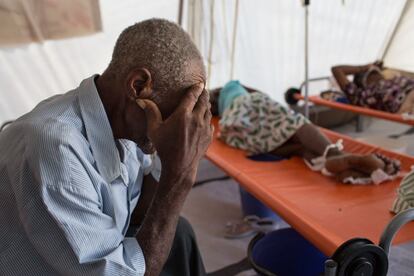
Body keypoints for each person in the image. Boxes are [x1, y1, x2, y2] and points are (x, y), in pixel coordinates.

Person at [0, 19, 213, 275]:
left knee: (180, 233)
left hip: (93, 249)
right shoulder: (56, 150)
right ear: (137, 86)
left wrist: (169, 161)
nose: (181, 125)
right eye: (177, 110)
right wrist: (180, 175)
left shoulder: (124, 120)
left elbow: (139, 212)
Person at [210, 80, 400, 183]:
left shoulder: (222, 113)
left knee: (294, 147)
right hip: (249, 105)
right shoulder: (232, 85)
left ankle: (330, 165)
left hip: (233, 128)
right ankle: (336, 154)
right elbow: (261, 95)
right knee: (295, 123)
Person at [332, 61, 414, 114]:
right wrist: (363, 68)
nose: (379, 74)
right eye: (373, 73)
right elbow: (336, 70)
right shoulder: (361, 96)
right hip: (406, 103)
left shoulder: (393, 80)